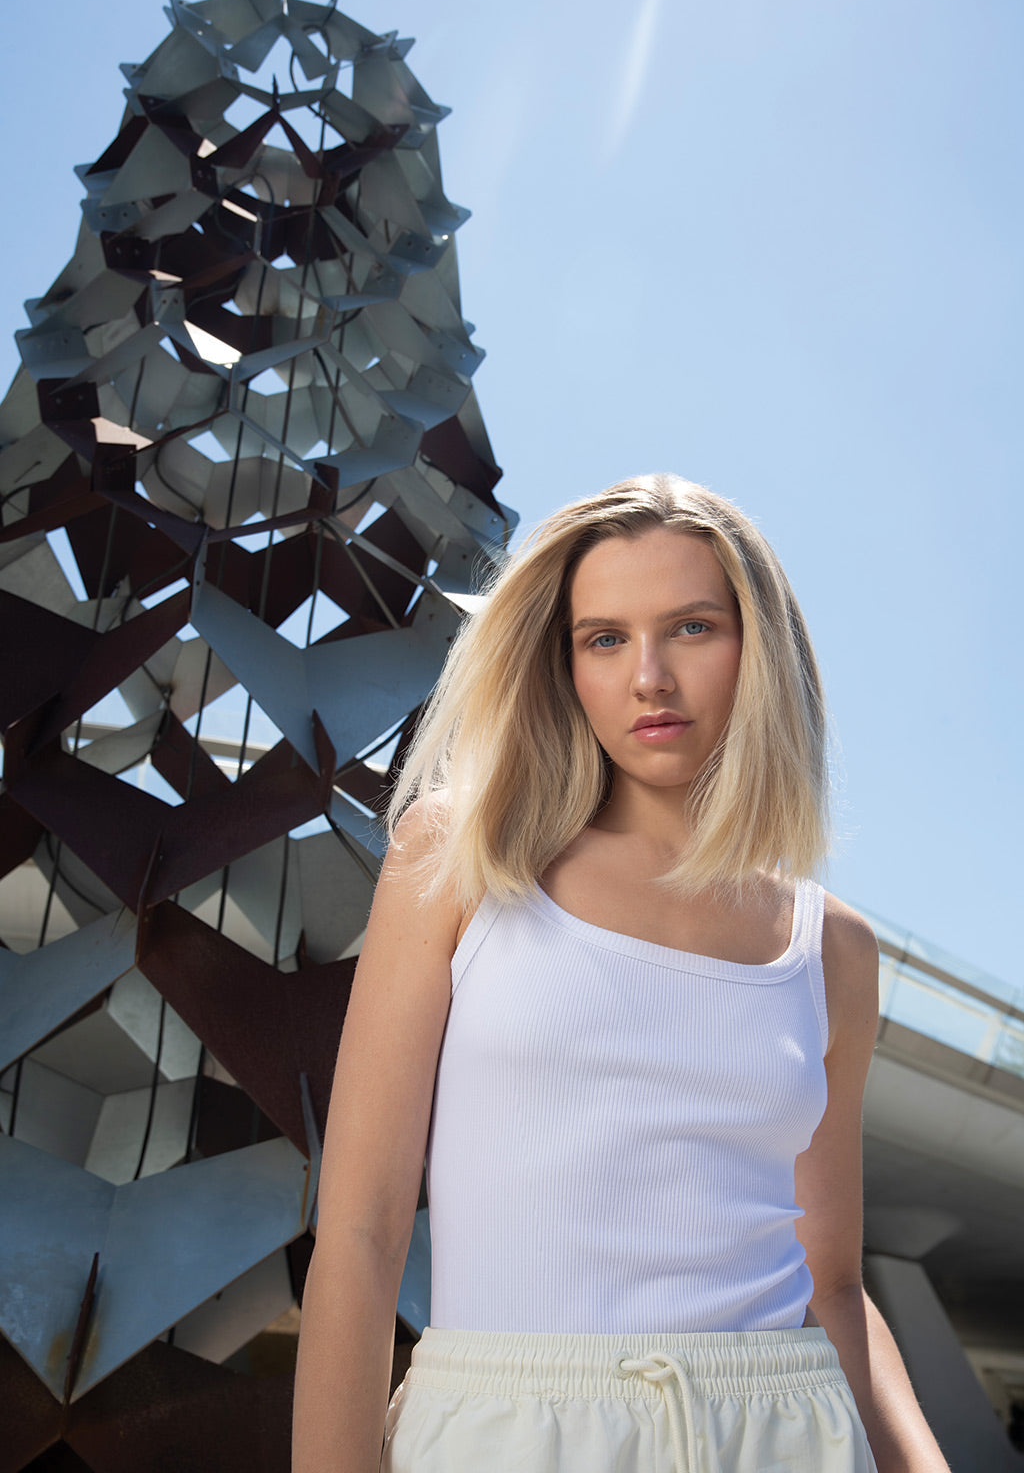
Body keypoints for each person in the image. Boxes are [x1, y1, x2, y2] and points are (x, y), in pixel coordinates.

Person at [293, 474, 951, 1473]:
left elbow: (831, 1281)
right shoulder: (456, 859)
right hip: (507, 1429)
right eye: (604, 638)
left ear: (758, 651)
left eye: (690, 628)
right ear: (562, 666)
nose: (648, 676)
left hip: (786, 1431)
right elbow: (360, 1229)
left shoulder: (833, 950)